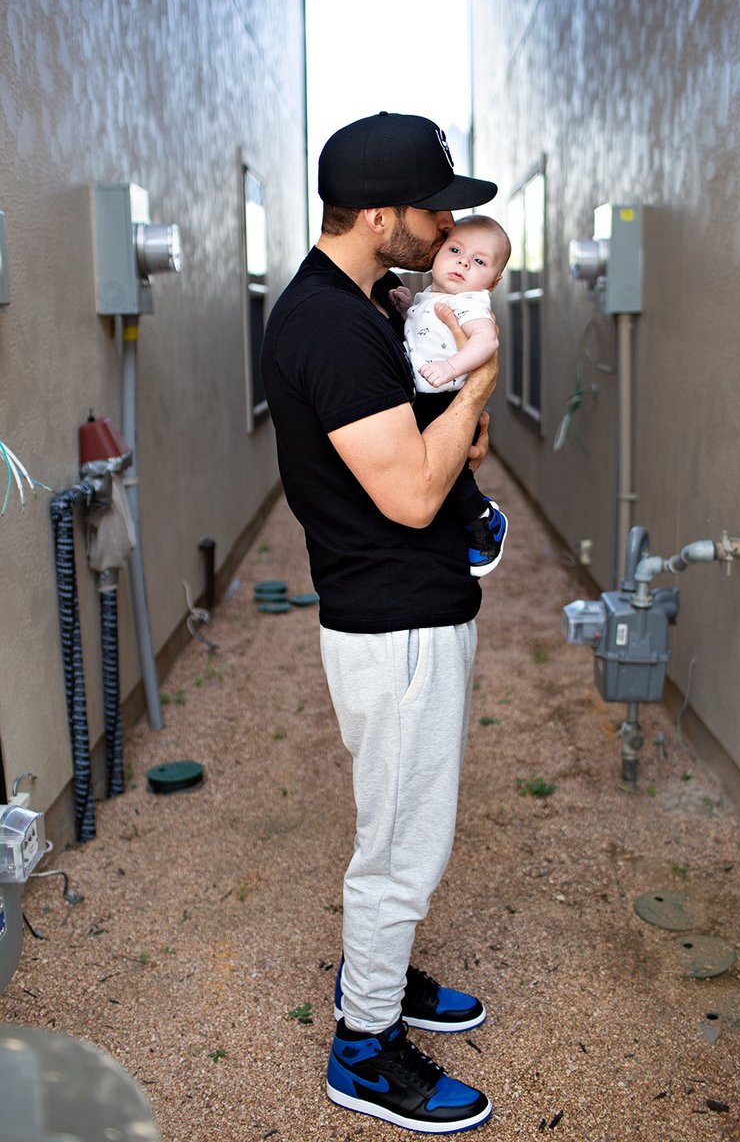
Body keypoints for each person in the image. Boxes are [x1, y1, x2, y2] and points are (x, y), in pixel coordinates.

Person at [260, 112, 498, 1134]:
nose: (446, 227)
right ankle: (362, 1048)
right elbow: (410, 494)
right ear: (373, 215)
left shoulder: (363, 303)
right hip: (396, 620)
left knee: (399, 824)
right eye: (430, 209)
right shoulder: (328, 323)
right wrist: (479, 386)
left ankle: (383, 974)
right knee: (400, 847)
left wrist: (454, 421)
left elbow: (428, 448)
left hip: (406, 606)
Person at [390, 214, 511, 577]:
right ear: (438, 252)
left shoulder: (472, 304)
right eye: (455, 251)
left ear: (494, 281)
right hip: (426, 396)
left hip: (447, 399)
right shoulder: (431, 297)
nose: (463, 263)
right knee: (430, 470)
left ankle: (483, 520)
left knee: (448, 476)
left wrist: (452, 367)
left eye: (479, 261)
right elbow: (424, 334)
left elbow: (486, 342)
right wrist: (405, 310)